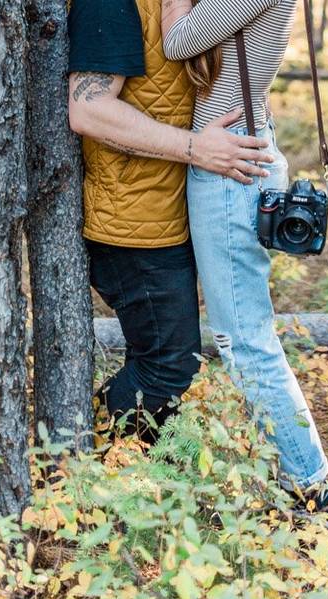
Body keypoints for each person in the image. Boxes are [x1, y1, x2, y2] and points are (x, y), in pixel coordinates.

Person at [161, 0, 328, 524]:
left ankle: (313, 488)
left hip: (230, 172)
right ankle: (291, 476)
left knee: (242, 338)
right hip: (235, 158)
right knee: (243, 335)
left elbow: (177, 42)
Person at [66, 0, 275, 442]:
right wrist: (197, 148)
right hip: (132, 221)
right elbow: (89, 110)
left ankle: (135, 483)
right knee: (166, 367)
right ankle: (73, 463)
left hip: (176, 208)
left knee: (167, 362)